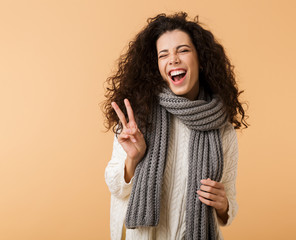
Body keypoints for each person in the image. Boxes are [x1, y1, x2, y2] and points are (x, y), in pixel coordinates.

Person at [102, 12, 248, 240]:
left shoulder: (222, 129)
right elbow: (116, 188)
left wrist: (223, 204)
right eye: (163, 55)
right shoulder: (139, 116)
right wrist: (133, 158)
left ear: (201, 60)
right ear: (157, 66)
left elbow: (229, 207)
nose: (173, 59)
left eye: (183, 50)